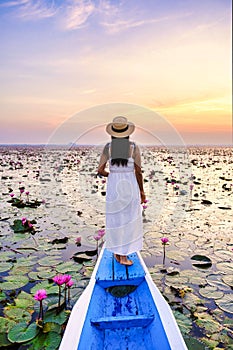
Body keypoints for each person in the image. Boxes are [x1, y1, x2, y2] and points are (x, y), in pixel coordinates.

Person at [97, 116, 146, 266]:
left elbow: (100, 170)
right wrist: (142, 192)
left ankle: (118, 254)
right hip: (129, 186)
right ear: (128, 132)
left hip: (114, 187)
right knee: (129, 220)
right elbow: (138, 172)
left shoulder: (108, 147)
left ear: (112, 133)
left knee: (116, 220)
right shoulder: (133, 148)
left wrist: (112, 175)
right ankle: (123, 256)